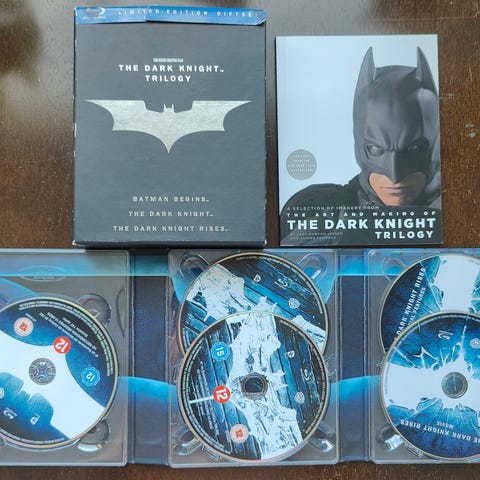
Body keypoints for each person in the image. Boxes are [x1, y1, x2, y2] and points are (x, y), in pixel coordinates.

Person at [280, 46, 441, 244]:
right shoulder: (320, 211)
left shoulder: (458, 212)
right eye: (376, 149)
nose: (395, 175)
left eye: (414, 149)